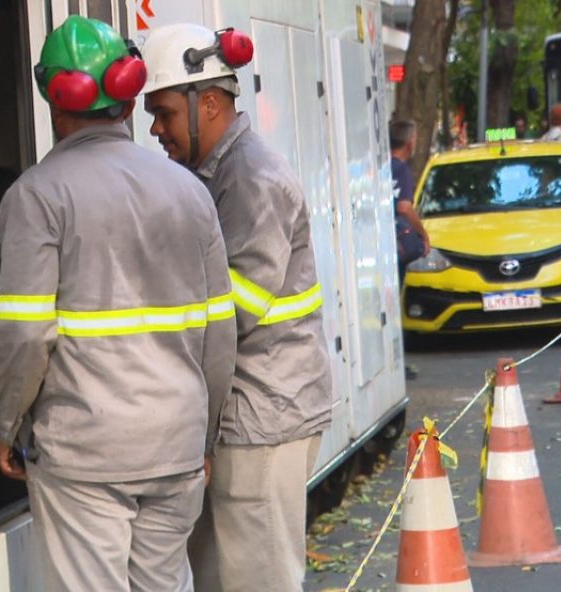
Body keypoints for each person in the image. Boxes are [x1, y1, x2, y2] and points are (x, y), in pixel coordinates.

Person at [0, 16, 237, 591]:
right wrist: (204, 437)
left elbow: (24, 337)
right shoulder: (190, 192)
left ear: (54, 99)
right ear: (126, 100)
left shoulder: (37, 197)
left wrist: (6, 421)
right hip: (175, 447)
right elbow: (219, 337)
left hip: (85, 456)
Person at [142, 23, 332, 592]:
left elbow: (228, 316)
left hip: (263, 419)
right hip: (246, 415)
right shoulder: (213, 175)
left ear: (209, 103)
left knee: (259, 581)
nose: (155, 129)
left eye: (165, 113)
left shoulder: (251, 180)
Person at [390, 119, 430, 380]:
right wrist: (423, 233)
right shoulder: (402, 169)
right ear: (409, 142)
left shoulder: (380, 165)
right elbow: (404, 207)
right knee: (396, 302)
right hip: (399, 246)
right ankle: (398, 362)